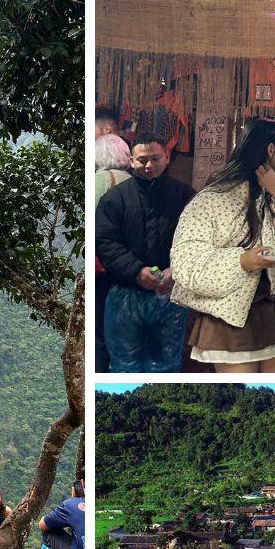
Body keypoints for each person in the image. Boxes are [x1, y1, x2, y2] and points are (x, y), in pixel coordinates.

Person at [170, 119, 275, 372]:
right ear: (270, 150)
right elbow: (185, 262)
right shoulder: (213, 200)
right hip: (232, 317)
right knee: (240, 387)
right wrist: (242, 262)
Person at [96, 132, 196, 372]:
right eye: (142, 160)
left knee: (167, 364)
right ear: (131, 160)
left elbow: (197, 242)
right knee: (123, 364)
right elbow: (106, 241)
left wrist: (176, 270)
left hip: (172, 294)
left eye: (155, 158)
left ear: (167, 157)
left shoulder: (186, 197)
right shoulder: (115, 198)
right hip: (125, 293)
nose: (148, 165)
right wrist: (136, 271)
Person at [94, 133, 133, 372]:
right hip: (130, 268)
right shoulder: (137, 183)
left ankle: (101, 366)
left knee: (99, 325)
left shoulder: (97, 182)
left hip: (103, 268)